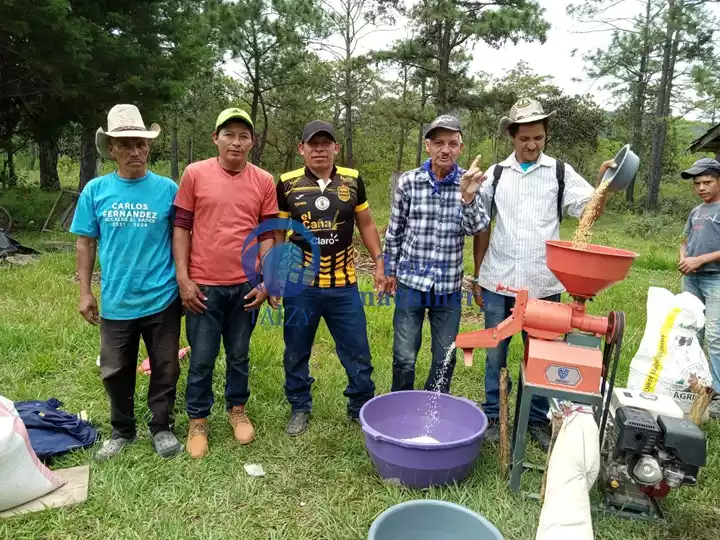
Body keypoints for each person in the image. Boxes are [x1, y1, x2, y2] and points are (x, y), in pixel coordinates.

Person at [472, 97, 615, 450]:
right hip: (499, 278)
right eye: (524, 139)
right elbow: (479, 223)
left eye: (538, 137)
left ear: (545, 135)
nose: (531, 145)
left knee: (541, 353)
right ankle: (493, 413)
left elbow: (589, 213)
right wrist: (477, 274)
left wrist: (604, 185)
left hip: (543, 282)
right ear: (512, 137)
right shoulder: (496, 174)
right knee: (495, 349)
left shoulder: (560, 173)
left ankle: (535, 418)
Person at [70, 104, 183, 460]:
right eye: (127, 144)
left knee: (165, 366)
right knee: (115, 369)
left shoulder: (168, 189)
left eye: (141, 144)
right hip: (117, 299)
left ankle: (161, 427)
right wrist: (85, 291)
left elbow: (182, 238)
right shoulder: (96, 191)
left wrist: (185, 280)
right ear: (112, 149)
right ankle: (122, 430)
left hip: (163, 296)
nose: (136, 151)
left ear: (148, 147)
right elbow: (85, 242)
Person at [173, 108, 278, 458]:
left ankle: (237, 410)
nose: (236, 141)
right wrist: (184, 278)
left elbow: (267, 234)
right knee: (202, 357)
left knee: (238, 354)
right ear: (215, 138)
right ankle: (198, 421)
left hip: (245, 287)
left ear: (252, 142)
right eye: (229, 134)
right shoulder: (194, 174)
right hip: (204, 286)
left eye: (243, 136)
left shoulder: (263, 180)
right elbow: (181, 228)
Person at [273, 120, 385, 436]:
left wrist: (379, 262)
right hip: (301, 285)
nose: (319, 149)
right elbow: (279, 232)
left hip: (344, 285)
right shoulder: (286, 182)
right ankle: (299, 406)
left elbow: (365, 223)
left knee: (357, 350)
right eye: (313, 143)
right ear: (302, 148)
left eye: (326, 143)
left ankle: (359, 407)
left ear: (335, 147)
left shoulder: (352, 179)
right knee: (296, 349)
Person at [384, 114, 490, 394]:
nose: (446, 149)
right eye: (439, 143)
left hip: (448, 288)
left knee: (445, 356)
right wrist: (388, 271)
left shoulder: (469, 181)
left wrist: (467, 197)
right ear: (428, 146)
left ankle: (435, 409)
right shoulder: (409, 182)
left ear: (461, 147)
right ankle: (400, 405)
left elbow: (477, 227)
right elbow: (394, 231)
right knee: (405, 355)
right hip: (411, 283)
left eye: (452, 143)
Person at [678, 158, 720, 398]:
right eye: (697, 184)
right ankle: (696, 383)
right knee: (691, 331)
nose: (701, 188)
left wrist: (700, 260)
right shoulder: (696, 211)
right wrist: (685, 258)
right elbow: (684, 241)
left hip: (715, 279)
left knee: (715, 336)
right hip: (692, 278)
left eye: (707, 182)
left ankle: (716, 393)